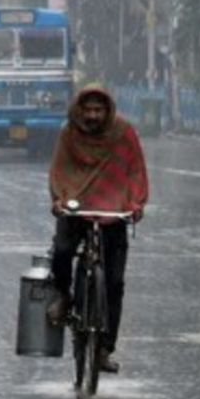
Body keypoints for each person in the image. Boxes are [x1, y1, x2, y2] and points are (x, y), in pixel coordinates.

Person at [45, 85, 149, 375]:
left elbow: (135, 170)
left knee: (114, 283)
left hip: (113, 211)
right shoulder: (69, 135)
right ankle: (63, 296)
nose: (93, 116)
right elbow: (59, 171)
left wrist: (135, 202)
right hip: (77, 208)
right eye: (88, 110)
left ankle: (104, 348)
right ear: (79, 111)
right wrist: (60, 200)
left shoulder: (123, 133)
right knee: (64, 250)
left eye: (98, 110)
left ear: (108, 111)